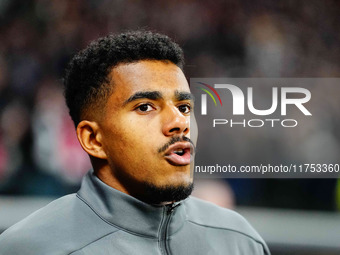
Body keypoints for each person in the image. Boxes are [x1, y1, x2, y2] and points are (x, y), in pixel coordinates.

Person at [0, 30, 270, 255]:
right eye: (145, 107)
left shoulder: (241, 242)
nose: (179, 122)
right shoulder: (30, 248)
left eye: (185, 106)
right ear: (93, 139)